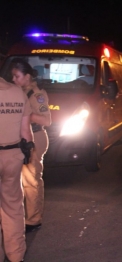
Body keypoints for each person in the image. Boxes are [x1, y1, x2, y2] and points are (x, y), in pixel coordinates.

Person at [11, 59, 51, 233]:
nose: (14, 79)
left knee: (31, 180)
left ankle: (34, 219)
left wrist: (26, 114)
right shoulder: (21, 91)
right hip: (24, 137)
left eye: (17, 76)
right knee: (23, 179)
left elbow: (47, 120)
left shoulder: (36, 94)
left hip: (35, 136)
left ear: (27, 77)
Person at [0, 77, 33, 262]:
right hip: (12, 155)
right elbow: (26, 133)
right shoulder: (17, 92)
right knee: (12, 207)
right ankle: (15, 255)